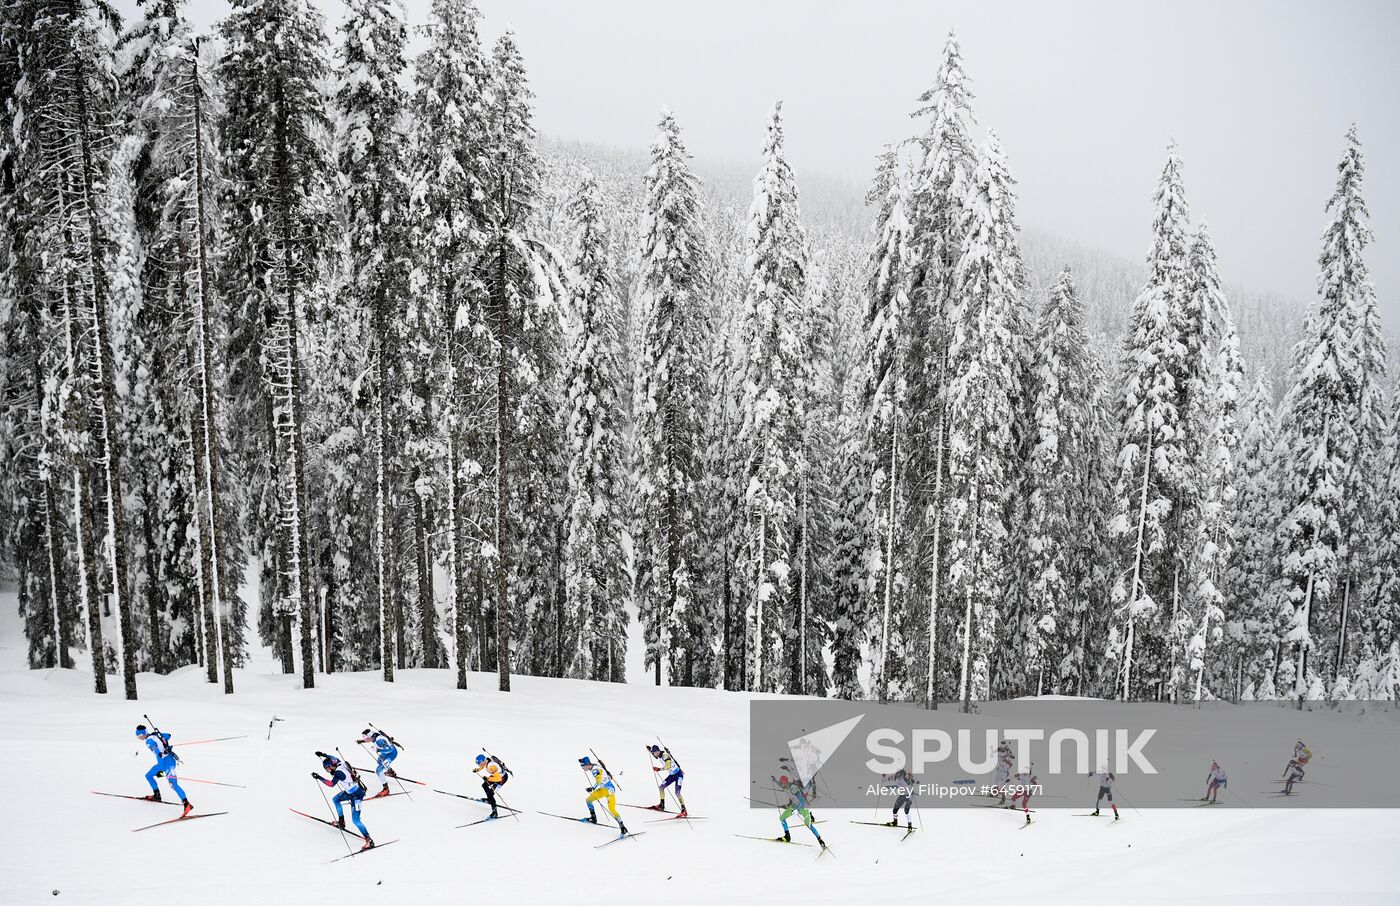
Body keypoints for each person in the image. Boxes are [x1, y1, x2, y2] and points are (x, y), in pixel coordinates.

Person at [313, 752, 374, 850]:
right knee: (336, 799)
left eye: (328, 768)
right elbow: (333, 757)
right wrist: (323, 755)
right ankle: (341, 822)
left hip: (357, 795)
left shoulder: (338, 773)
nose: (327, 771)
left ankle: (369, 840)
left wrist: (319, 777)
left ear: (332, 765)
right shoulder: (339, 763)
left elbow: (331, 784)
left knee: (356, 820)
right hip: (350, 792)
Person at [136, 725, 193, 817]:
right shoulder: (155, 735)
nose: (139, 738)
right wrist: (161, 737)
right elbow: (168, 735)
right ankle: (157, 795)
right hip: (163, 764)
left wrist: (163, 752)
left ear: (143, 734)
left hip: (168, 764)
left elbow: (159, 754)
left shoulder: (149, 742)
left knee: (173, 784)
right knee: (149, 775)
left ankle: (187, 804)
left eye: (139, 736)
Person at [772, 773, 826, 849]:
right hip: (794, 806)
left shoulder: (793, 788)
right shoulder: (784, 785)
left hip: (803, 807)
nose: (781, 784)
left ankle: (820, 841)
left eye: (782, 782)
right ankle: (787, 836)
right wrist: (775, 781)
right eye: (781, 783)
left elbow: (801, 800)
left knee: (809, 825)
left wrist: (797, 810)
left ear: (786, 782)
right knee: (782, 818)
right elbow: (781, 785)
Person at [579, 756, 629, 835]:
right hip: (603, 790)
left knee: (612, 809)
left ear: (587, 764)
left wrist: (592, 788)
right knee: (588, 800)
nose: (582, 768)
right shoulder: (594, 767)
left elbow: (599, 780)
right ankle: (593, 818)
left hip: (609, 790)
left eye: (582, 766)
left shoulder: (595, 770)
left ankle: (623, 828)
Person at [357, 727, 399, 799]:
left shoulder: (379, 740)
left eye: (365, 738)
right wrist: (362, 741)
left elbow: (389, 749)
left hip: (391, 754)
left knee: (378, 770)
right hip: (386, 753)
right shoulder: (374, 735)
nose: (365, 740)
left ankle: (386, 789)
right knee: (379, 761)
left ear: (370, 736)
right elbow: (370, 740)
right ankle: (390, 771)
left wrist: (378, 750)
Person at [647, 744, 687, 816]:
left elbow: (668, 766)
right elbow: (654, 755)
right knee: (661, 787)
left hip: (678, 775)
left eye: (655, 752)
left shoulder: (665, 756)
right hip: (672, 775)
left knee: (677, 792)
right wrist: (650, 750)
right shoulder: (658, 755)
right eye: (653, 753)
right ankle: (661, 805)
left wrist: (659, 769)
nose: (655, 754)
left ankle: (684, 810)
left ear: (658, 751)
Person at [473, 753, 509, 819]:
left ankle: (495, 812)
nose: (479, 765)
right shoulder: (486, 761)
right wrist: (477, 769)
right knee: (484, 785)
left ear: (483, 762)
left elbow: (499, 779)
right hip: (496, 775)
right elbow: (483, 766)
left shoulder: (491, 767)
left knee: (491, 793)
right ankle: (489, 799)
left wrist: (488, 778)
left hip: (502, 778)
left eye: (479, 764)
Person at [994, 740, 1014, 805]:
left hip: (1004, 773)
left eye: (1003, 748)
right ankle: (995, 793)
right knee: (996, 784)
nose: (1001, 750)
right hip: (999, 771)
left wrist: (1006, 760)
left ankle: (1003, 799)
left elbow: (1011, 764)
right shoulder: (999, 751)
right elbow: (995, 750)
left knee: (1002, 786)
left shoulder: (1008, 757)